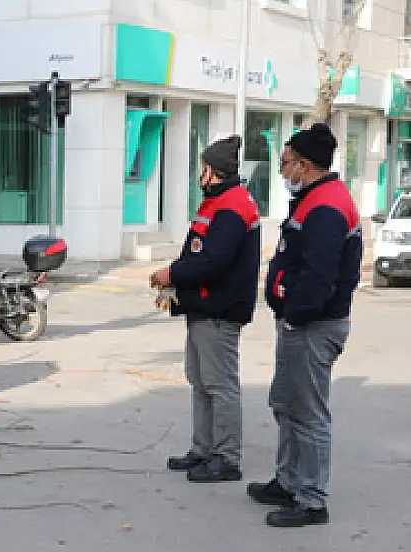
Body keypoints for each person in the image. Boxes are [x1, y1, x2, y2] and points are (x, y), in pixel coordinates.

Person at [249, 122, 361, 528]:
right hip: (301, 324)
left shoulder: (327, 207)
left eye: (285, 163)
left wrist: (294, 314)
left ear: (305, 165)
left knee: (308, 412)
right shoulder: (315, 198)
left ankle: (311, 500)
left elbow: (319, 277)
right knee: (287, 404)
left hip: (313, 326)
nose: (282, 171)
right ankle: (288, 480)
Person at [150, 135, 261, 483]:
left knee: (220, 385)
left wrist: (172, 273)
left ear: (212, 171)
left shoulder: (231, 206)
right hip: (202, 307)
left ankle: (227, 458)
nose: (199, 173)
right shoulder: (218, 201)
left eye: (202, 168)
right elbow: (199, 251)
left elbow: (213, 261)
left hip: (219, 310)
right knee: (200, 381)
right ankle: (203, 449)